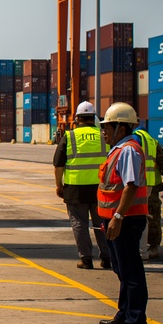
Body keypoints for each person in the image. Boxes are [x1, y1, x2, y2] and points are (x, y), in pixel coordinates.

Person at [96, 102, 149, 324]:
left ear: (121, 127)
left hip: (126, 220)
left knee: (131, 271)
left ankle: (136, 321)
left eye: (108, 126)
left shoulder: (128, 150)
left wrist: (117, 217)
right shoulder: (118, 149)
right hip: (115, 220)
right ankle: (124, 313)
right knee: (121, 268)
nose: (103, 131)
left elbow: (130, 186)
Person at [53, 101, 111, 270]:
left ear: (77, 118)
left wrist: (59, 185)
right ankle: (107, 257)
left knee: (79, 223)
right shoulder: (104, 135)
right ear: (94, 118)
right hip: (101, 187)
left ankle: (86, 259)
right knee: (102, 223)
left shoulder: (69, 136)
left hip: (76, 187)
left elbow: (58, 164)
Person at [134, 127, 163, 259]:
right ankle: (153, 246)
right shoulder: (152, 141)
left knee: (139, 216)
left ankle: (142, 247)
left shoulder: (134, 139)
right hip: (153, 185)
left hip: (137, 185)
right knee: (153, 217)